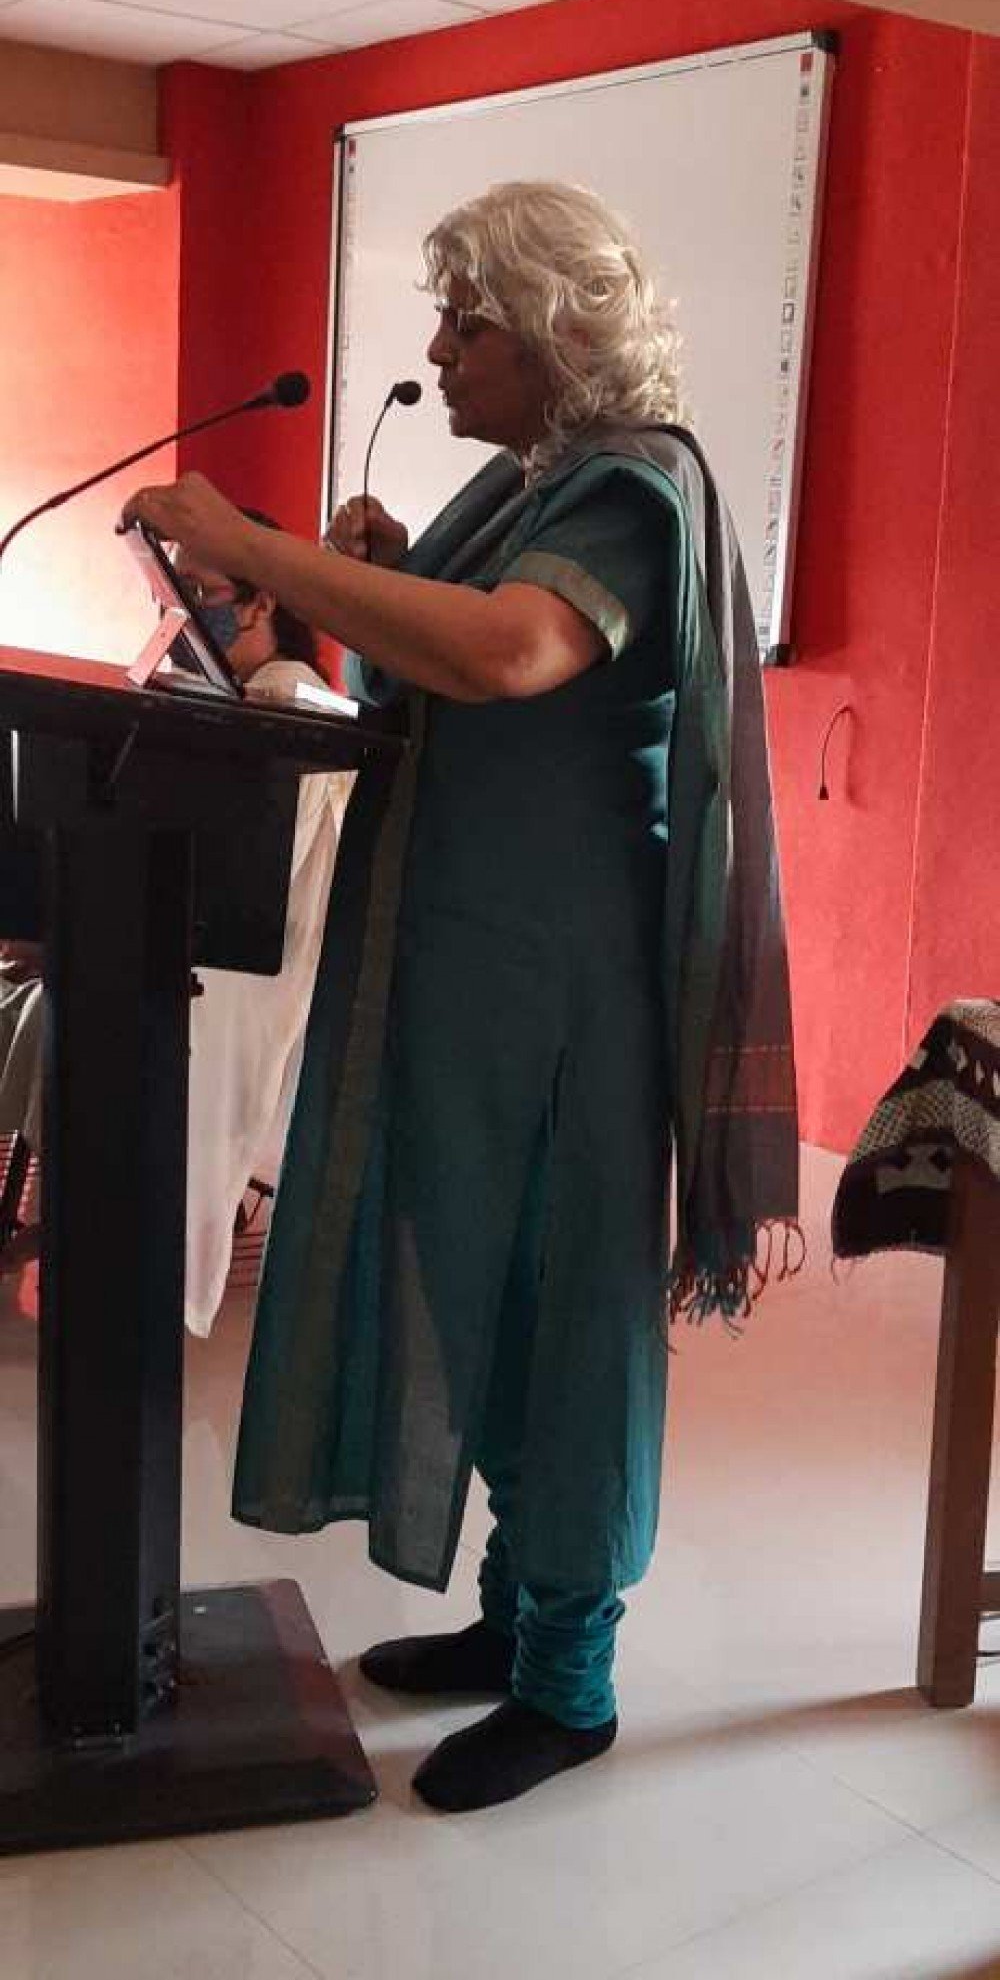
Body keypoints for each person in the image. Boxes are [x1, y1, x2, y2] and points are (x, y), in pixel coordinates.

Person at [122, 180, 798, 1812]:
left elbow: (508, 657)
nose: (437, 352)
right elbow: (433, 683)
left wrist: (265, 550)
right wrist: (369, 577)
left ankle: (571, 1681)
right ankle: (513, 1616)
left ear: (556, 330)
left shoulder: (634, 486)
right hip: (466, 967)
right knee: (478, 1288)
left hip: (568, 992)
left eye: (466, 322)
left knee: (566, 1319)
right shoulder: (520, 485)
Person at [0, 536, 351, 1335]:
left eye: (198, 589)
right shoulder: (232, 696)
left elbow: (233, 881)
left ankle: (93, 1258)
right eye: (170, 588)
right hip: (181, 954)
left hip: (233, 984)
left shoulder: (289, 706)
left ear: (263, 601)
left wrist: (69, 939)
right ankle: (70, 1236)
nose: (179, 609)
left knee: (73, 1022)